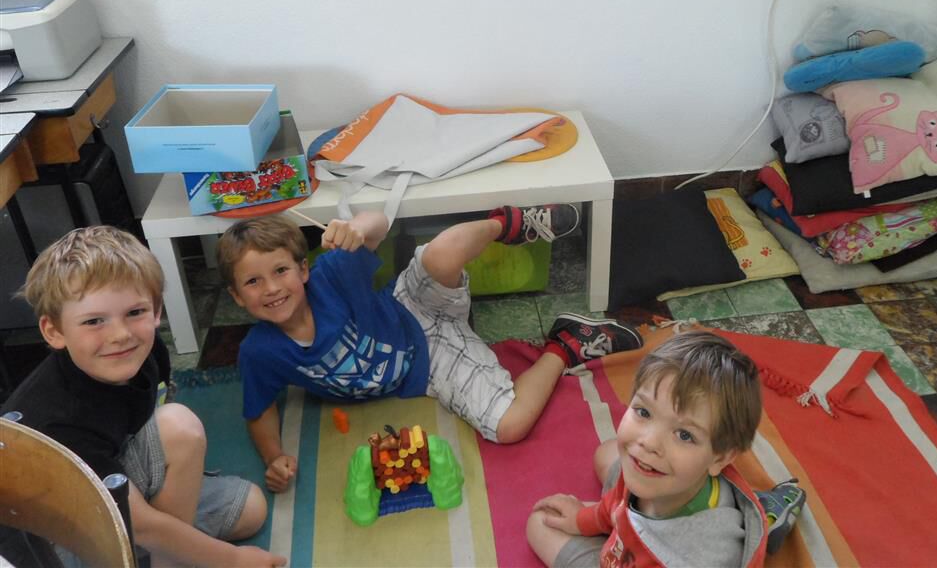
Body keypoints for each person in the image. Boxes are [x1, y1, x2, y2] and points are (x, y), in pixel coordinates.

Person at [218, 205, 642, 494]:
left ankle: (509, 223)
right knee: (510, 426)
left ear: (303, 269)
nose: (271, 288)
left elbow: (379, 222)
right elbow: (259, 409)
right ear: (236, 296)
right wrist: (274, 457)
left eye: (280, 271)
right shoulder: (260, 352)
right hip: (431, 366)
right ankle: (567, 344)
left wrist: (357, 228)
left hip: (409, 304)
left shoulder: (330, 275)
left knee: (442, 254)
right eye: (253, 282)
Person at [1, 226, 285, 568]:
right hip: (54, 538)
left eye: (135, 313)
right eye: (94, 321)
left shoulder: (147, 351)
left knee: (251, 508)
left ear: (156, 311)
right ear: (54, 331)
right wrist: (234, 559)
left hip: (118, 483)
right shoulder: (57, 419)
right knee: (179, 427)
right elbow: (145, 526)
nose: (120, 335)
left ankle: (163, 552)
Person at [527, 330, 806, 567]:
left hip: (657, 550)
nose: (648, 442)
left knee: (540, 524)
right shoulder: (645, 466)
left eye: (684, 435)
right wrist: (582, 520)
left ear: (720, 458)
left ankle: (761, 520)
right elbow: (616, 502)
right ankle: (761, 509)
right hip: (651, 509)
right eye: (644, 412)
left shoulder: (703, 558)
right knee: (607, 454)